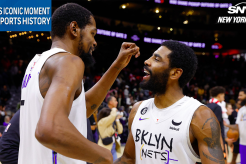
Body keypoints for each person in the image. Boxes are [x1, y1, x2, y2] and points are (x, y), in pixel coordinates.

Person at [18, 3, 140, 164]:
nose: (95, 42)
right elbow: (49, 129)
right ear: (74, 28)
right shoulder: (69, 61)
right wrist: (105, 156)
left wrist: (117, 66)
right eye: (92, 33)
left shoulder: (36, 63)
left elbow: (82, 107)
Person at [114, 40, 225, 164]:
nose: (146, 61)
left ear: (175, 73)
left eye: (156, 59)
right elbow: (128, 159)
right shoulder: (137, 109)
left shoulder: (200, 116)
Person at [224, 89, 246, 164]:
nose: (239, 97)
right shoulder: (241, 110)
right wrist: (227, 125)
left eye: (241, 95)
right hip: (242, 142)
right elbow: (237, 126)